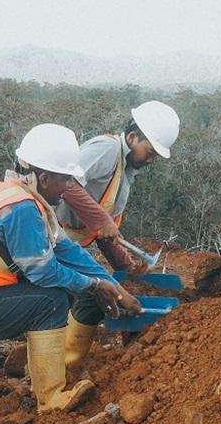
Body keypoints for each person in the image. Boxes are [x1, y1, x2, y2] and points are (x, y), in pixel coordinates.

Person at [0, 123, 142, 412]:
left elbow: (67, 250)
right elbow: (43, 272)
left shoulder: (16, 195)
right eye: (66, 180)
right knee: (50, 302)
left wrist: (114, 285)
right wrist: (93, 286)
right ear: (45, 178)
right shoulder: (21, 209)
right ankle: (51, 399)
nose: (70, 188)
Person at [55, 101, 180, 369]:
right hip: (49, 236)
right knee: (89, 296)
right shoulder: (107, 150)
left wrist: (126, 266)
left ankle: (59, 364)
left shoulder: (125, 173)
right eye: (150, 151)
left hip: (69, 245)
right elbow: (66, 182)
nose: (151, 159)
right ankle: (63, 369)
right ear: (133, 137)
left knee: (74, 298)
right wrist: (102, 220)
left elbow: (106, 235)